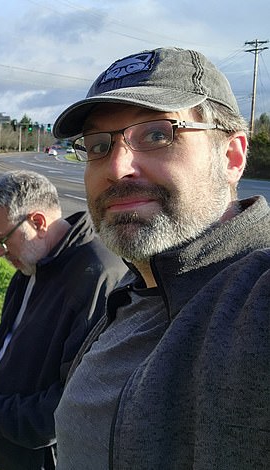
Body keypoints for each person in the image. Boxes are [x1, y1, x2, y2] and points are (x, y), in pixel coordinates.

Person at [51, 47, 270, 469]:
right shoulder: (133, 288)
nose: (116, 167)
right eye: (98, 145)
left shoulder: (255, 296)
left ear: (232, 157)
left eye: (156, 135)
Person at [0, 171, 127, 469]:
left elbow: (72, 405)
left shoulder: (97, 277)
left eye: (2, 240)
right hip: (10, 449)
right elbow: (9, 336)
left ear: (38, 222)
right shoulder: (32, 264)